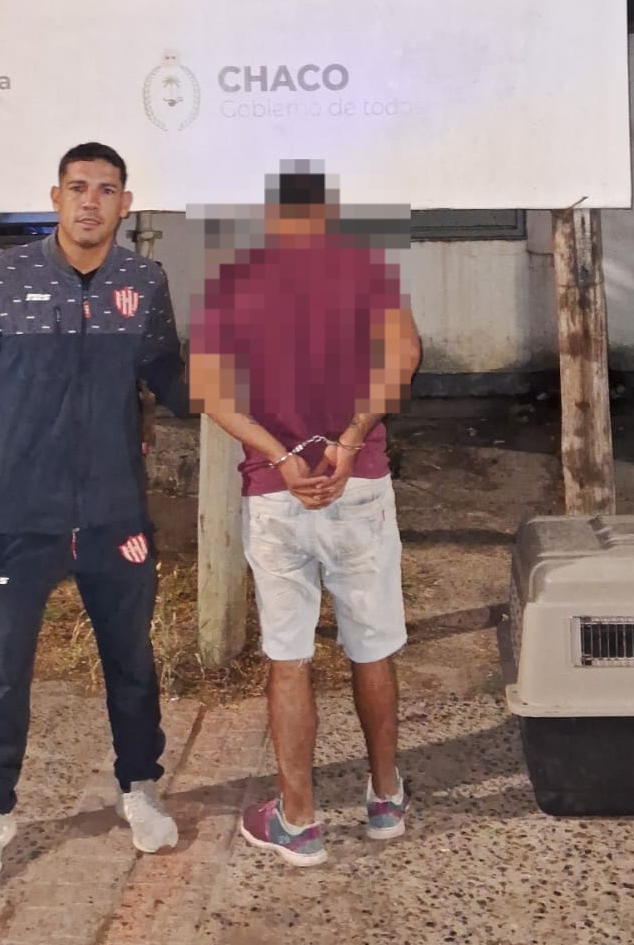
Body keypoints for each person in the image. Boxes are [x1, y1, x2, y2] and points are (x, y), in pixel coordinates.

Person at [0, 142, 189, 888]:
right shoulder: (3, 277)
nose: (90, 201)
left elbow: (167, 373)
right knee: (2, 671)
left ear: (124, 204)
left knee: (130, 663)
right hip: (18, 517)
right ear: (55, 197)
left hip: (114, 516)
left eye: (105, 189)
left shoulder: (142, 281)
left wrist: (237, 385)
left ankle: (139, 786)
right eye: (77, 187)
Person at [190, 163, 421, 866]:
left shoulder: (234, 283)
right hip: (358, 484)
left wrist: (282, 457)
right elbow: (405, 354)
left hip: (275, 492)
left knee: (288, 655)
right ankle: (385, 799)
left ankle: (299, 822)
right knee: (371, 646)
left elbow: (211, 391)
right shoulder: (364, 271)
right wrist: (348, 440)